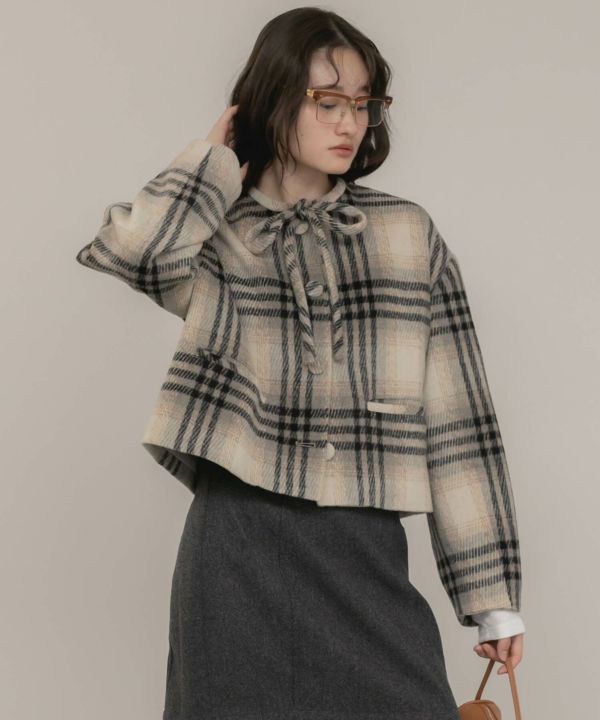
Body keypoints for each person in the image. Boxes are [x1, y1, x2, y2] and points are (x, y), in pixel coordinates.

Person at [76, 7, 525, 719]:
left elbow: (458, 419)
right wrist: (211, 161)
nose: (351, 123)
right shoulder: (216, 231)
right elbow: (137, 254)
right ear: (274, 99)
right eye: (327, 101)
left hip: (363, 547)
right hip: (234, 546)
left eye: (364, 103)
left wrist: (490, 596)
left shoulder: (405, 234)